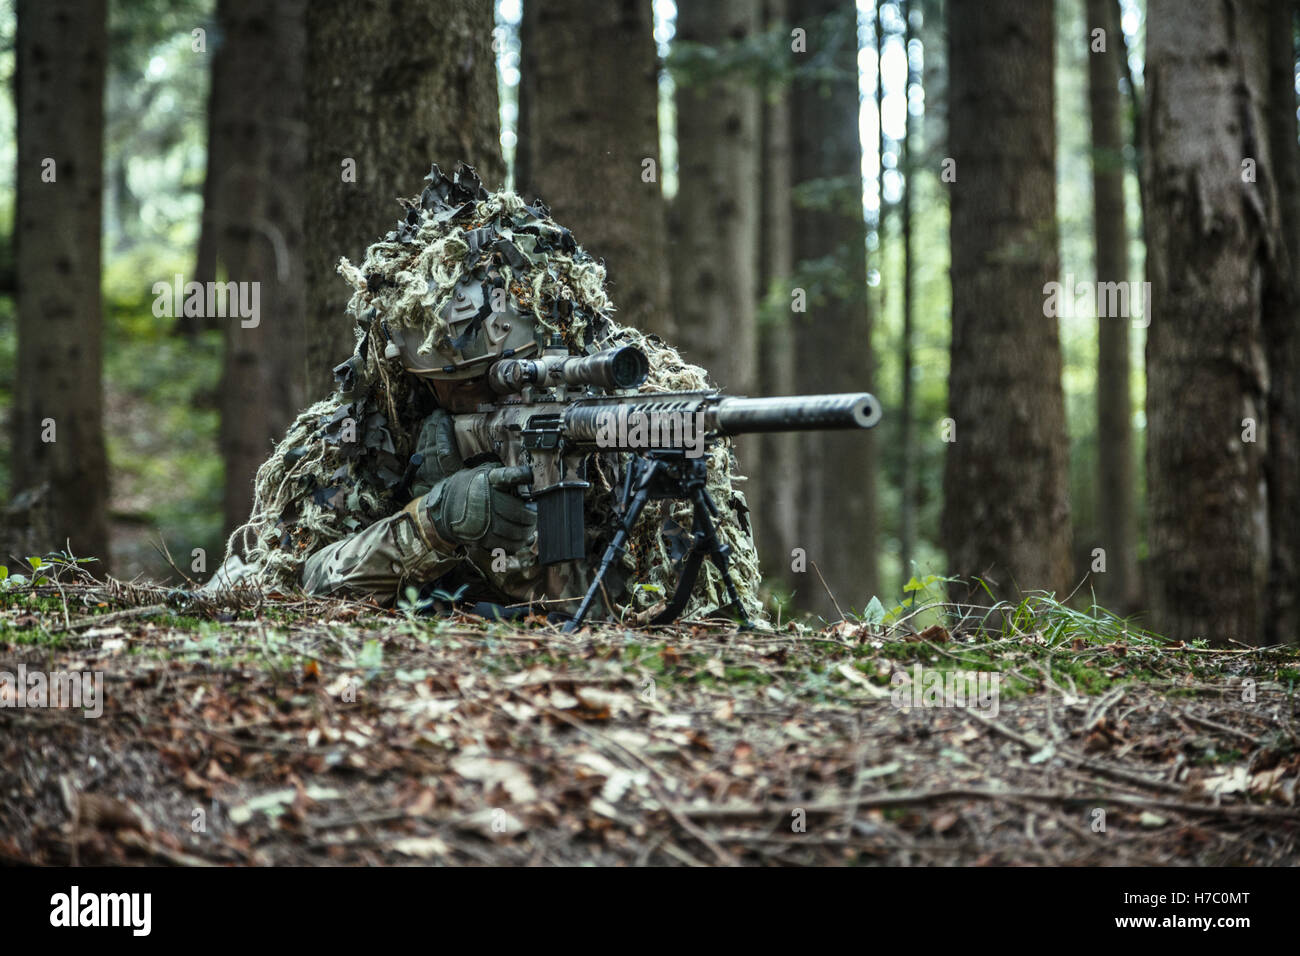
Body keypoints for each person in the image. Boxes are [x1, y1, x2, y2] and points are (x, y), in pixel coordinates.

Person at [209, 163, 762, 624]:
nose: (476, 399)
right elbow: (290, 583)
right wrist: (429, 525)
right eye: (454, 387)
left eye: (497, 376)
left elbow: (686, 612)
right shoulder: (365, 426)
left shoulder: (642, 409)